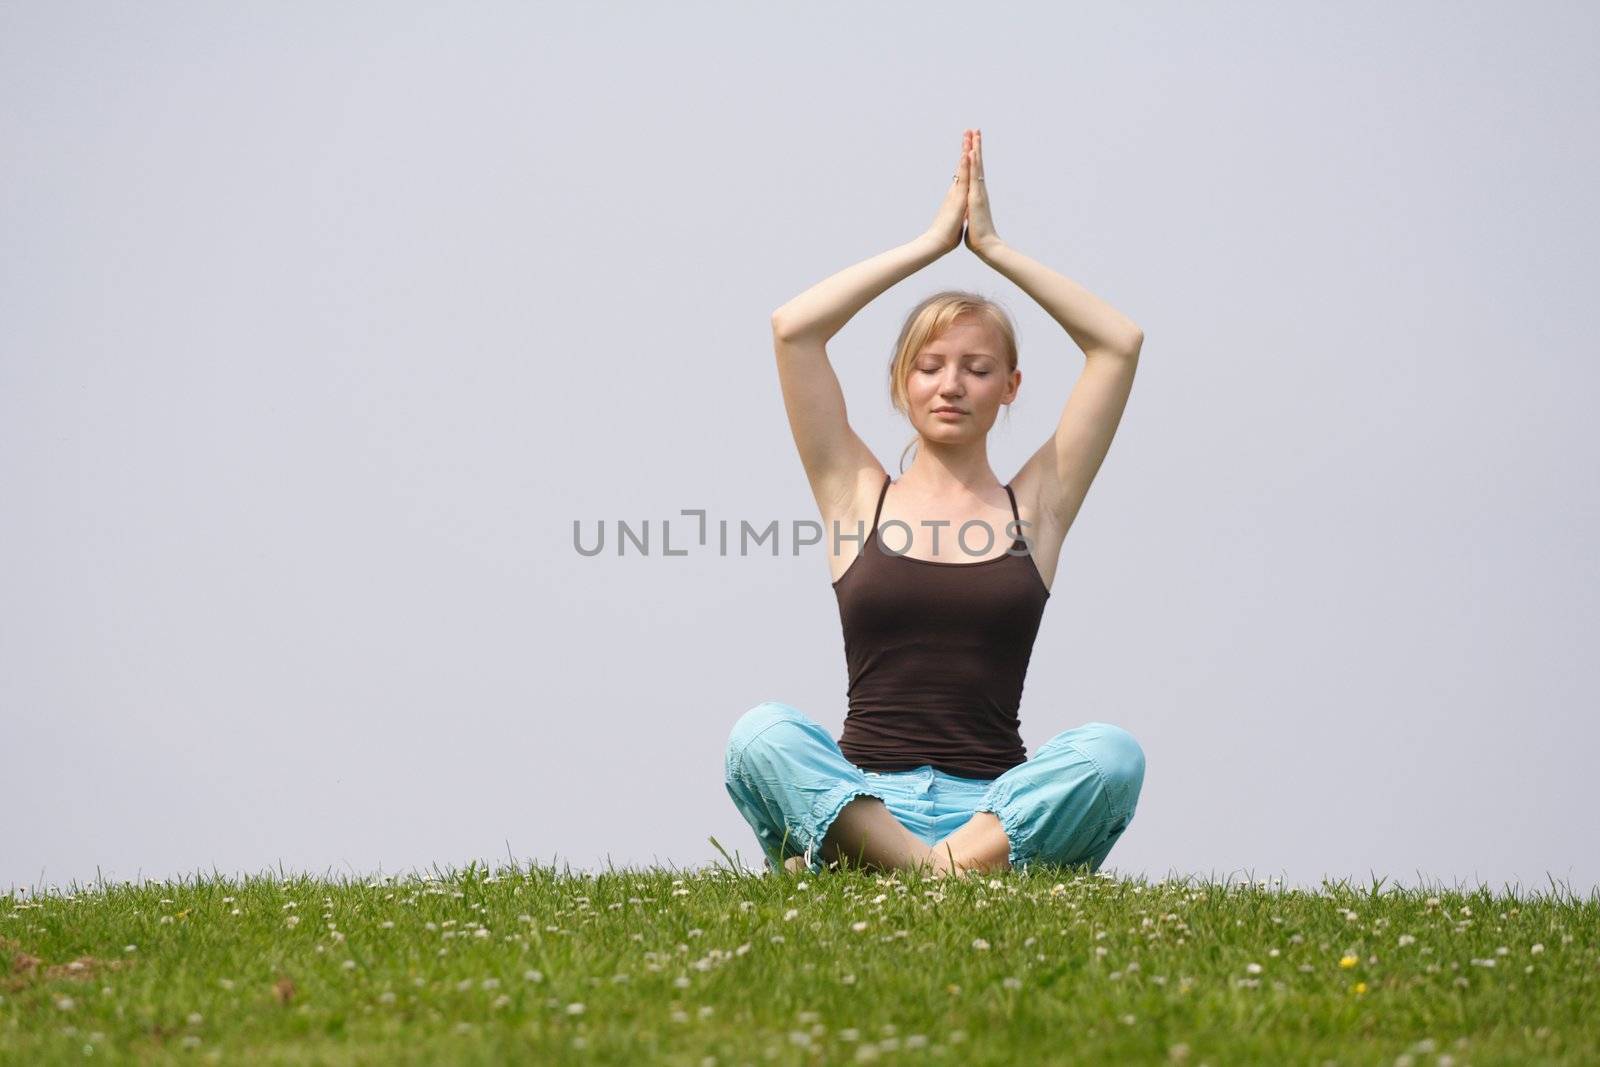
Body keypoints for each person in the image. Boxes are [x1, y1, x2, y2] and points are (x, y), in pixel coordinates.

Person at [724, 129, 1147, 879]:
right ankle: (935, 872)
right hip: (866, 799)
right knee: (760, 735)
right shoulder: (856, 493)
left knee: (1114, 755)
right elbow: (794, 331)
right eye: (930, 366)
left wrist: (991, 248)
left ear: (1010, 387)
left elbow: (1118, 343)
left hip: (994, 809)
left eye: (978, 368)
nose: (951, 385)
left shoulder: (1036, 507)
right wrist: (930, 243)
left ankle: (907, 870)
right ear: (901, 382)